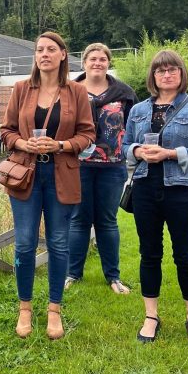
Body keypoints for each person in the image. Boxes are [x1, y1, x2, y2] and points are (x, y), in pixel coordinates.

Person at [0, 31, 96, 340]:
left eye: (51, 49)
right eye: (40, 49)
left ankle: (54, 309)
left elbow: (88, 135)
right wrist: (23, 144)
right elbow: (6, 131)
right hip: (25, 175)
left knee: (58, 243)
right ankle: (25, 307)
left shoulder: (77, 92)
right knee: (25, 243)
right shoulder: (21, 89)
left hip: (61, 175)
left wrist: (61, 145)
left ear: (63, 55)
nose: (44, 54)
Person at [123, 50, 188, 350]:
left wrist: (172, 154)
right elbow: (125, 146)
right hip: (144, 189)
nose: (166, 74)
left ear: (182, 74)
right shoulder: (138, 109)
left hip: (182, 190)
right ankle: (151, 316)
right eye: (160, 70)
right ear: (153, 76)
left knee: (185, 256)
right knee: (149, 254)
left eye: (172, 69)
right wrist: (137, 151)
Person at [66, 43, 138, 294]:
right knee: (78, 221)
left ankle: (113, 277)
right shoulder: (70, 91)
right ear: (84, 62)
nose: (97, 62)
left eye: (102, 59)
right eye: (92, 58)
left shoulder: (124, 93)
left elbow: (135, 125)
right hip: (78, 165)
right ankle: (72, 273)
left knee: (107, 221)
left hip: (112, 167)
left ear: (108, 63)